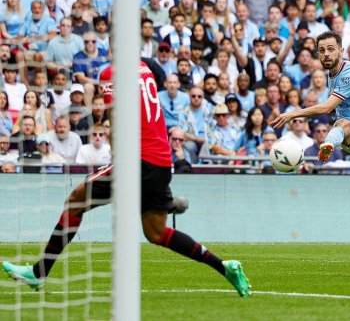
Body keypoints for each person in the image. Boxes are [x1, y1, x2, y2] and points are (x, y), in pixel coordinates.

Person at [2, 61, 251, 297]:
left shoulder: (112, 73)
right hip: (161, 160)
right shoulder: (145, 69)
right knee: (156, 233)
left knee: (75, 200)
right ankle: (224, 266)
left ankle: (39, 273)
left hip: (137, 160)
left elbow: (117, 119)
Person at [272, 32, 350, 278]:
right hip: (348, 128)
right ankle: (330, 144)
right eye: (321, 50)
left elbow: (325, 108)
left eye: (331, 49)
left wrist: (292, 113)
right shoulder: (332, 74)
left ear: (341, 50)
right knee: (342, 124)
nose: (326, 54)